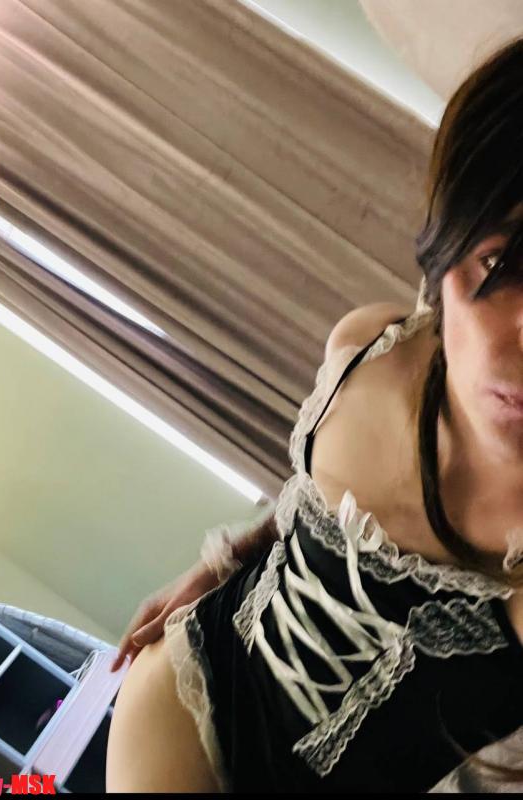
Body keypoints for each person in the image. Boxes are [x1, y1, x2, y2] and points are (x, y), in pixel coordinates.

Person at [106, 37, 523, 793]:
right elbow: (312, 498)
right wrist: (223, 563)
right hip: (186, 698)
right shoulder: (369, 348)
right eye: (505, 266)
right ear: (446, 252)